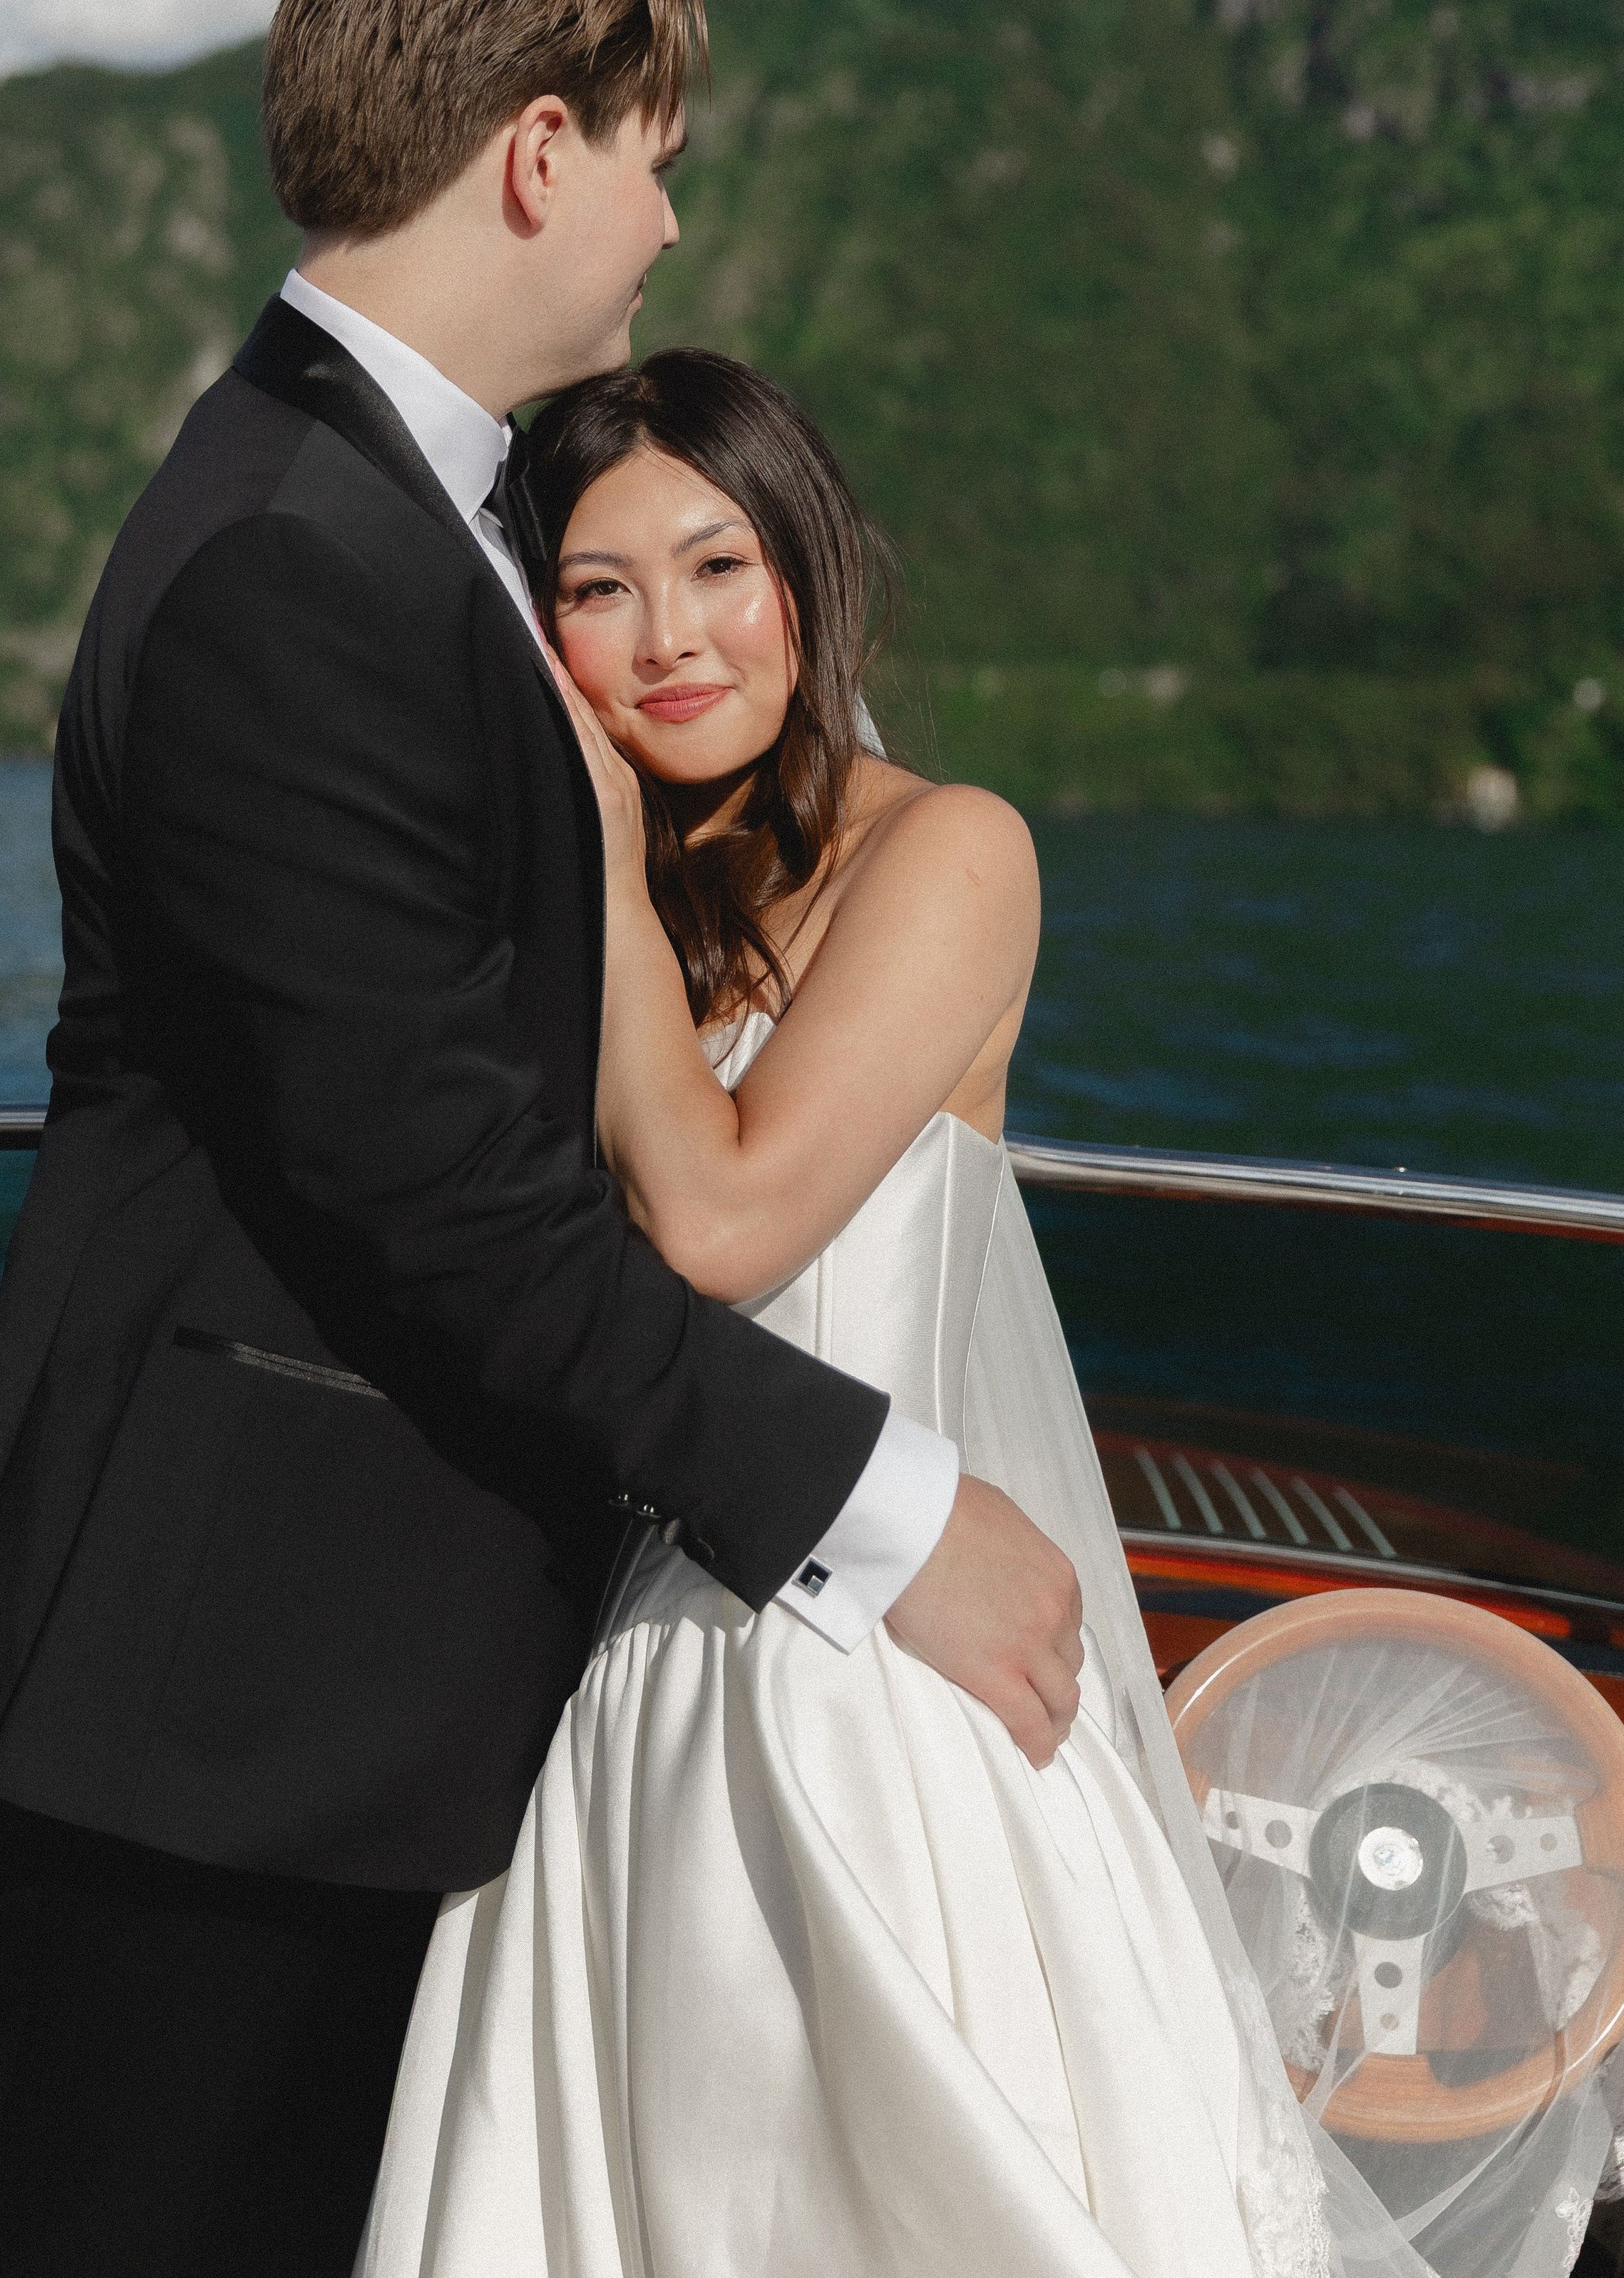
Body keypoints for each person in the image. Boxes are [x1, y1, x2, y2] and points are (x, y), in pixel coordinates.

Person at [0, 0, 1081, 2278]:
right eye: (652, 148)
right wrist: (888, 1509)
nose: (668, 213)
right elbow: (437, 1194)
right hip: (234, 1701)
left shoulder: (375, 524)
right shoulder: (291, 568)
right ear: (537, 154)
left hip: (351, 1693)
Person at [358, 351, 1332, 2278]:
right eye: (598, 589)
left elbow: (721, 1218)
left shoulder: (947, 850)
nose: (670, 640)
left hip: (870, 1675)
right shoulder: (610, 891)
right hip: (632, 1681)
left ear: (805, 570)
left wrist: (601, 856)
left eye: (719, 566)